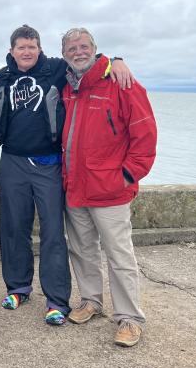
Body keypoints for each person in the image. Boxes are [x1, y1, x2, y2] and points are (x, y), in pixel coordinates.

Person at [0, 25, 133, 325]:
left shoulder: (56, 69)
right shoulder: (4, 76)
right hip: (12, 161)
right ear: (12, 51)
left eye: (32, 47)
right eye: (21, 47)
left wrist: (117, 59)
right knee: (13, 228)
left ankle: (56, 301)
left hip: (48, 163)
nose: (27, 52)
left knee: (54, 231)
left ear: (40, 49)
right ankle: (18, 288)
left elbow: (90, 64)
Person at [60, 27, 157, 346]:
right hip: (76, 188)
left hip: (111, 191)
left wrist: (126, 177)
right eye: (71, 48)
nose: (78, 51)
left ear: (95, 49)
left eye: (84, 46)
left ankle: (130, 318)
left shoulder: (122, 83)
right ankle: (91, 301)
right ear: (64, 54)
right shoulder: (68, 86)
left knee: (119, 255)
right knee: (82, 250)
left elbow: (145, 138)